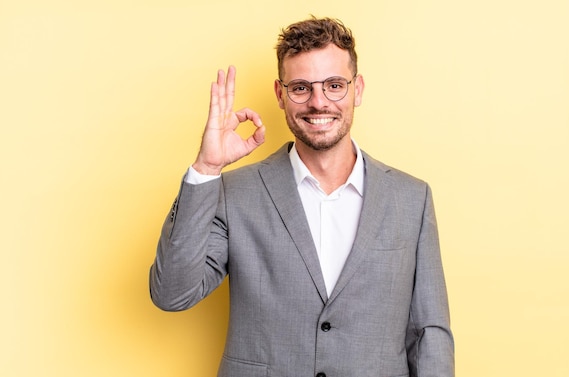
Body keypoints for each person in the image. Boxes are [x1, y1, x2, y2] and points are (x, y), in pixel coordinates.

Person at [150, 16, 454, 377]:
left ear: (357, 89)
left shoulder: (410, 199)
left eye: (334, 85)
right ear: (281, 95)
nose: (318, 102)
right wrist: (206, 168)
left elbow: (429, 334)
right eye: (301, 88)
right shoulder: (235, 194)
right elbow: (172, 294)